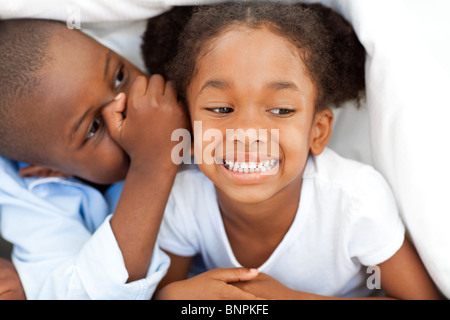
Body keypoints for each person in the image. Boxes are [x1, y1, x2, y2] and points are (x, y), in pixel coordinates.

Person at [142, 2, 440, 299]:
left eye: (281, 110)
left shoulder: (354, 203)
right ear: (189, 125)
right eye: (220, 108)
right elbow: (161, 292)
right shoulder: (184, 198)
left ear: (317, 131)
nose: (247, 133)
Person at [0, 18, 261, 300]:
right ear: (48, 170)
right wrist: (152, 164)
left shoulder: (185, 74)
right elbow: (85, 292)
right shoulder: (32, 202)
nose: (130, 109)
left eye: (119, 77)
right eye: (93, 128)